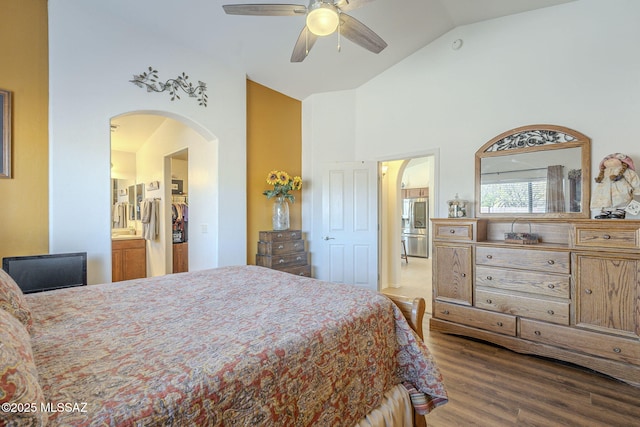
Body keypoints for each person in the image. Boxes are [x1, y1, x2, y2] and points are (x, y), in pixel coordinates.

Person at [590, 153, 640, 219]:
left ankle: (620, 210)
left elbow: (634, 179)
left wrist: (637, 190)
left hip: (621, 193)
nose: (610, 160)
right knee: (604, 200)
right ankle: (606, 210)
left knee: (621, 200)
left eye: (613, 159)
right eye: (607, 159)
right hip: (605, 194)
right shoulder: (604, 172)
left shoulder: (627, 172)